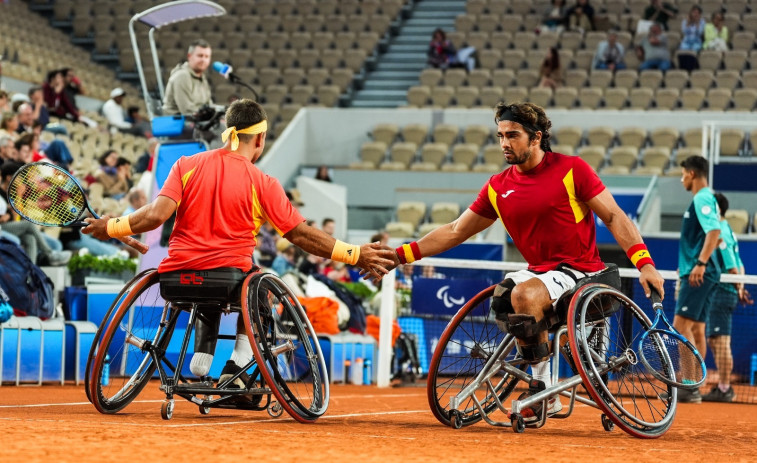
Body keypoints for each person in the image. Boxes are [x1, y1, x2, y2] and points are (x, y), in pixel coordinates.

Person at [82, 99, 394, 397]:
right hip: (229, 282)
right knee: (258, 285)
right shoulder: (264, 182)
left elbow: (155, 215)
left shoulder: (185, 164)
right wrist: (354, 254)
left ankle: (201, 358)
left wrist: (111, 226)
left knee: (207, 284)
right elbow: (300, 235)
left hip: (175, 280)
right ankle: (239, 364)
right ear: (260, 138)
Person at [380, 102, 664, 421]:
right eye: (500, 135)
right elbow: (455, 230)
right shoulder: (498, 186)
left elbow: (614, 216)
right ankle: (543, 381)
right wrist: (399, 255)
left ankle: (543, 389)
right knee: (505, 296)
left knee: (524, 294)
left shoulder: (573, 170)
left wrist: (645, 263)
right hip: (540, 272)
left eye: (512, 135)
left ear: (536, 138)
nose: (504, 143)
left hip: (583, 271)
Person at [674, 155, 722, 403]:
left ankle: (689, 385)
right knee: (696, 329)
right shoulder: (707, 198)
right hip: (702, 272)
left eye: (683, 174)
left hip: (699, 272)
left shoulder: (702, 197)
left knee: (681, 326)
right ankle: (693, 385)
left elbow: (715, 232)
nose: (681, 178)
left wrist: (700, 264)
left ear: (691, 174)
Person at [702, 193, 753, 402]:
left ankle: (724, 389)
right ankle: (724, 387)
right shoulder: (728, 229)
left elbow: (732, 266)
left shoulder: (720, 230)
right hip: (726, 291)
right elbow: (739, 264)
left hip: (721, 292)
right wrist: (739, 288)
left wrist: (737, 286)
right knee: (716, 341)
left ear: (716, 209)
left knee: (720, 342)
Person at [162, 39, 213, 115]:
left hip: (196, 122)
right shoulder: (182, 76)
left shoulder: (202, 78)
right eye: (200, 55)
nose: (203, 60)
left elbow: (209, 105)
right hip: (177, 123)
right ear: (189, 56)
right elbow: (187, 111)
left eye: (206, 56)